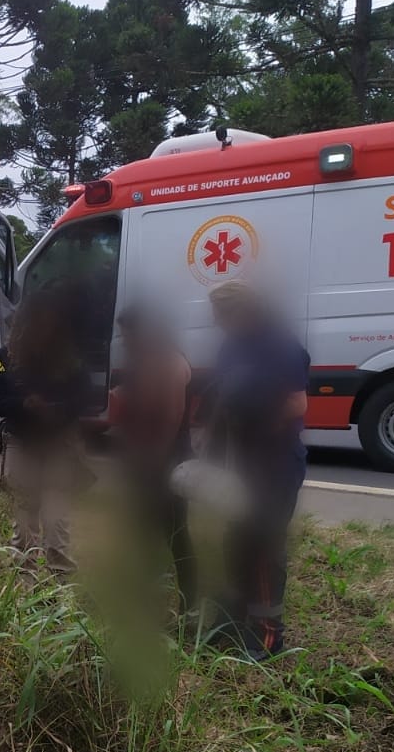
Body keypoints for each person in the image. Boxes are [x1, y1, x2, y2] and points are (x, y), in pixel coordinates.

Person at [199, 281, 309, 660]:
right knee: (236, 539)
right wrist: (210, 444)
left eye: (220, 314)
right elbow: (220, 395)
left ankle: (268, 635)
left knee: (264, 545)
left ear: (243, 311)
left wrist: (260, 435)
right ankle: (233, 618)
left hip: (275, 462)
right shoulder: (232, 346)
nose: (215, 322)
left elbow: (296, 405)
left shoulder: (281, 346)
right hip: (242, 461)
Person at [0, 291, 92, 575]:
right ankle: (23, 590)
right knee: (23, 524)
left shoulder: (68, 358)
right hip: (22, 443)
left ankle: (62, 591)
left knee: (57, 522)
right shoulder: (3, 360)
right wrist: (24, 404)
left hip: (58, 446)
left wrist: (58, 409)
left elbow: (84, 396)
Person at [110, 306, 196, 617]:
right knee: (143, 531)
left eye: (128, 334)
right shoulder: (143, 362)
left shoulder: (171, 362)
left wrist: (155, 464)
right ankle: (148, 598)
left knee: (176, 534)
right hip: (146, 462)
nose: (125, 340)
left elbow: (172, 416)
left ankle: (190, 607)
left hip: (168, 464)